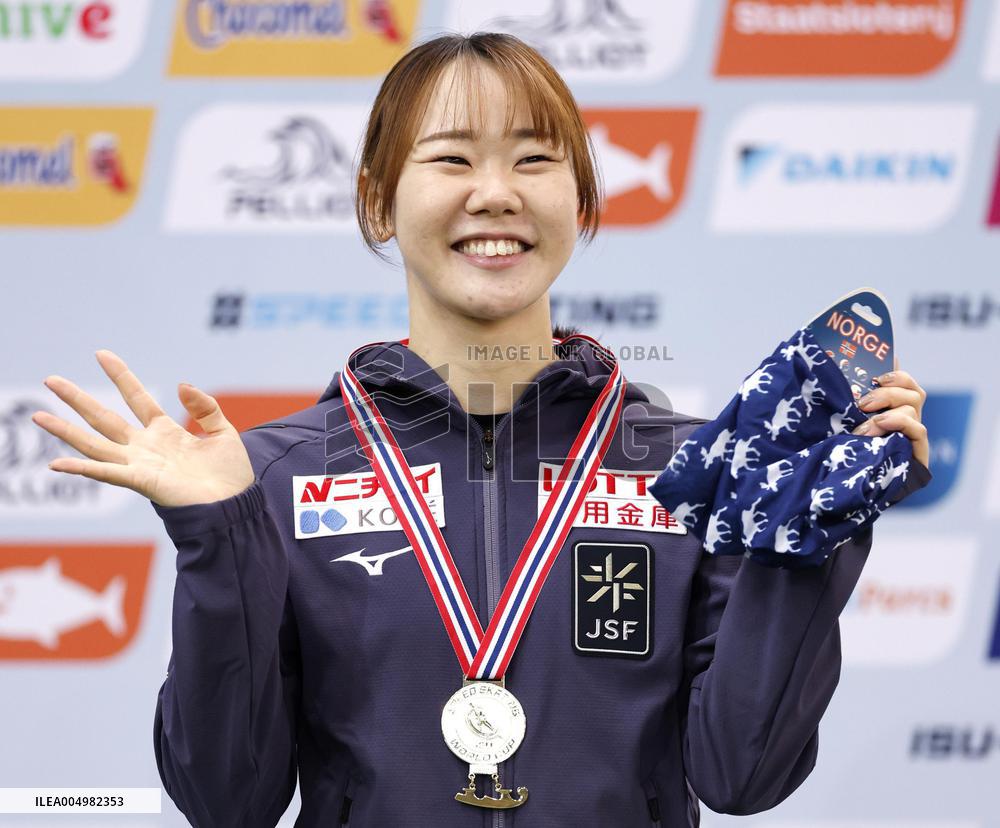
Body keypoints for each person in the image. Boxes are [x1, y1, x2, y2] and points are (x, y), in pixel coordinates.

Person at [33, 33, 931, 828]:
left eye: (536, 160)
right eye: (453, 160)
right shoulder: (277, 476)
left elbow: (743, 776)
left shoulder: (697, 470)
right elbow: (228, 799)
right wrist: (217, 535)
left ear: (581, 203)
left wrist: (805, 532)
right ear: (379, 203)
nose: (496, 194)